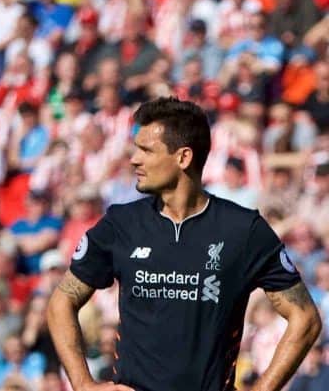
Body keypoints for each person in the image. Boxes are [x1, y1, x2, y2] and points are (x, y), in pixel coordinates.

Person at [47, 97, 321, 391]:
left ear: (183, 158)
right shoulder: (121, 224)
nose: (134, 159)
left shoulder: (244, 230)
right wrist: (83, 383)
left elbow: (305, 318)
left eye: (146, 150)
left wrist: (263, 389)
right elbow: (61, 302)